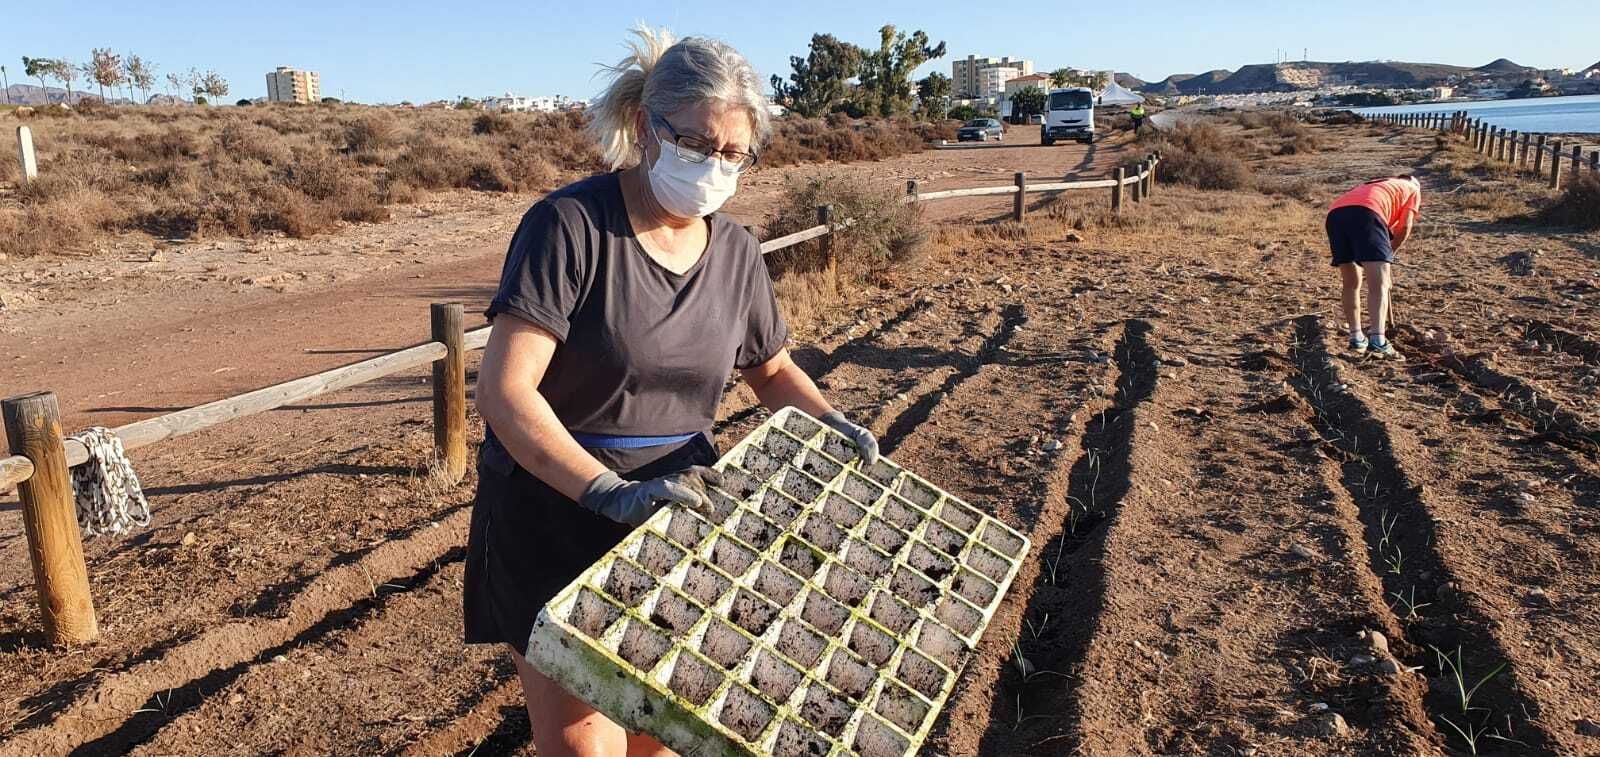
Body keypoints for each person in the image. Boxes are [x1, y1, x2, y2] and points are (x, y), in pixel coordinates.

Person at [463, 26, 879, 757]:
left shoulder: (738, 254)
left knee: (664, 729)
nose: (713, 165)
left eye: (732, 153)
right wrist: (601, 490)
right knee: (583, 740)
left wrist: (832, 422)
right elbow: (505, 391)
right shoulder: (570, 227)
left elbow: (772, 371)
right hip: (554, 506)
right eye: (696, 143)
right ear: (645, 127)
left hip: (677, 514)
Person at [1325, 175, 1422, 359]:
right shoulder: (1413, 189)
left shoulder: (1379, 184)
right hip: (1367, 214)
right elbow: (1404, 227)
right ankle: (1378, 341)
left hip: (1335, 215)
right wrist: (1388, 256)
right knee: (1379, 284)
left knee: (1351, 282)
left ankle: (1356, 338)